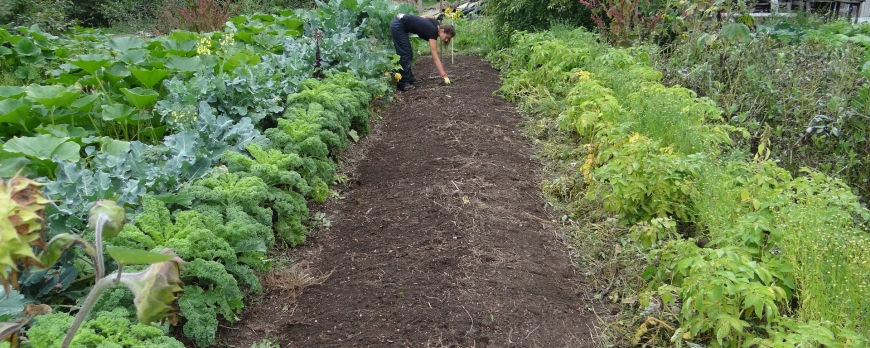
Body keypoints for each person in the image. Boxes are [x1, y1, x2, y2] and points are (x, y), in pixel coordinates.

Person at [390, 13, 455, 91]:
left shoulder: (436, 23)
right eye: (447, 37)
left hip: (400, 19)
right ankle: (403, 83)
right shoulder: (432, 31)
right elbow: (435, 58)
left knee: (408, 53)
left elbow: (423, 17)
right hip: (398, 25)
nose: (446, 40)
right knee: (405, 53)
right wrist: (444, 75)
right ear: (442, 31)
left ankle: (409, 77)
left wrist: (434, 16)